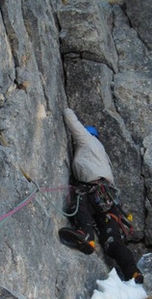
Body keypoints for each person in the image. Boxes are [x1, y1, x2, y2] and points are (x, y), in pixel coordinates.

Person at [59, 108, 144, 284]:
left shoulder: (87, 140)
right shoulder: (103, 154)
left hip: (92, 190)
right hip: (108, 200)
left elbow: (72, 121)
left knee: (79, 205)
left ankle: (87, 235)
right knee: (112, 240)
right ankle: (133, 272)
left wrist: (65, 109)